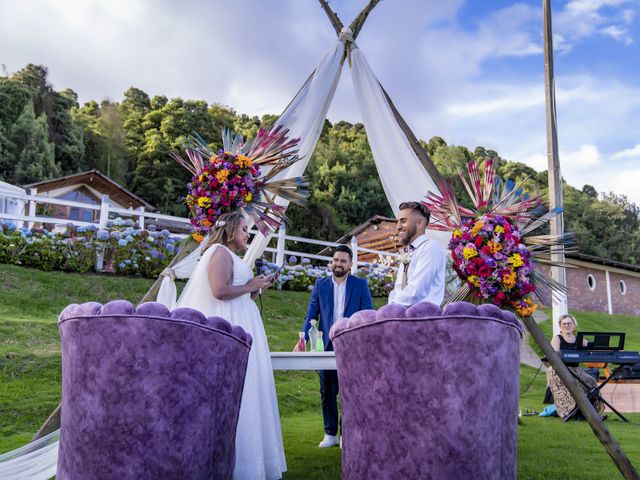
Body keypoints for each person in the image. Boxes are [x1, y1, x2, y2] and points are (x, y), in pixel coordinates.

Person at [177, 211, 286, 480]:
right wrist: (249, 285)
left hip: (244, 322)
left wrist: (254, 287)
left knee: (250, 389)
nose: (247, 234)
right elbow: (218, 291)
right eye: (244, 229)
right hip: (231, 325)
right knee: (240, 389)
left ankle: (249, 461)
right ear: (229, 230)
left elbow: (233, 289)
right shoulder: (219, 253)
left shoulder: (230, 256)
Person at [299, 245, 373, 448]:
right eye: (336, 260)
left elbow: (367, 314)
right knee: (327, 391)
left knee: (350, 391)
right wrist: (303, 340)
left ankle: (346, 435)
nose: (338, 263)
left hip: (352, 346)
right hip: (327, 346)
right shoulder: (320, 285)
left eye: (343, 261)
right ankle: (330, 433)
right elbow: (311, 315)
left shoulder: (360, 285)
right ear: (331, 262)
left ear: (350, 264)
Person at [545, 314, 604, 420]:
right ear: (560, 326)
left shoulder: (578, 339)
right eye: (564, 324)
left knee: (591, 382)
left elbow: (592, 346)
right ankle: (572, 412)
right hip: (559, 370)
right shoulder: (557, 338)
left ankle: (591, 413)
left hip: (575, 370)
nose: (567, 325)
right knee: (570, 383)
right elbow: (555, 356)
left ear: (574, 326)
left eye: (569, 323)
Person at [388, 201, 446, 306]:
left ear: (420, 223)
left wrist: (390, 310)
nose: (398, 227)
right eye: (398, 222)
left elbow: (415, 292)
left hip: (422, 318)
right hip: (402, 317)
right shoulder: (408, 252)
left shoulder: (431, 248)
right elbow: (398, 290)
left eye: (403, 221)